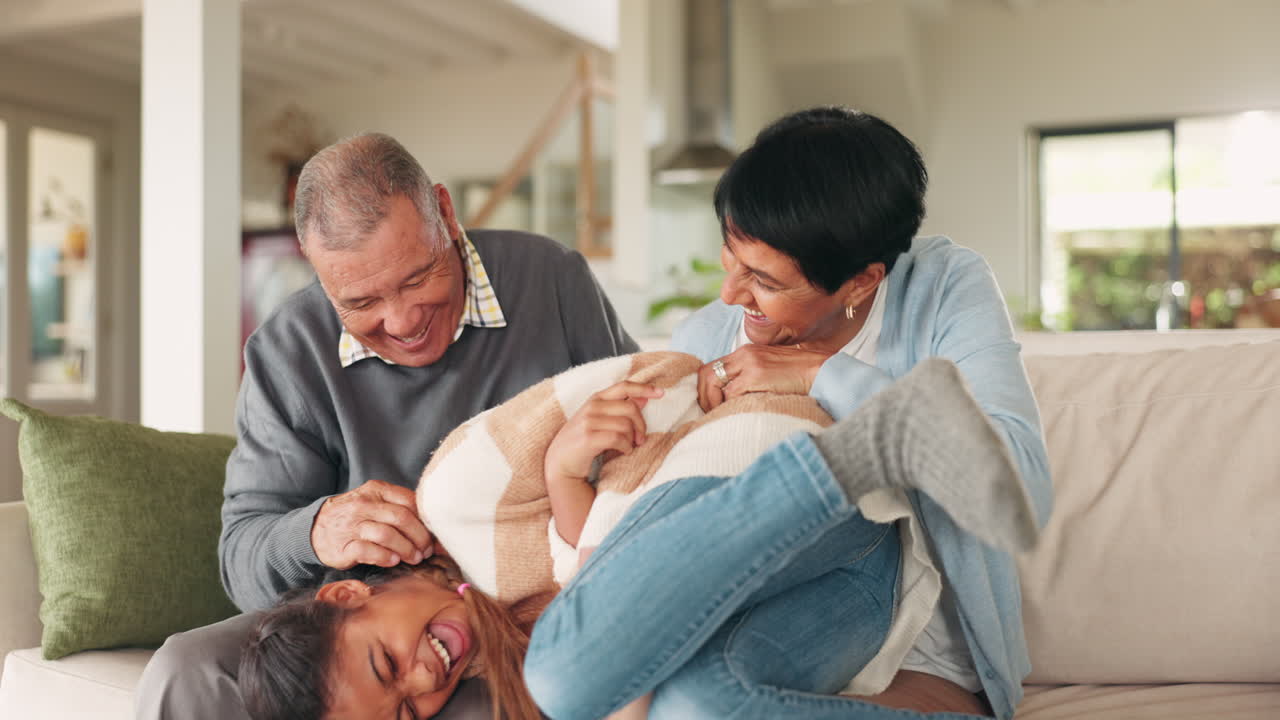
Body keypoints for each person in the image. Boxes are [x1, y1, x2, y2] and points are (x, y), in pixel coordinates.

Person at [238, 349, 1040, 720]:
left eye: (386, 663)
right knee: (693, 713)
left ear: (347, 594)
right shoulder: (504, 682)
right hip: (857, 574)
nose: (423, 681)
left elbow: (665, 377)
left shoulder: (458, 502)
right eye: (407, 715)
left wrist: (564, 476)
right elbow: (632, 595)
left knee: (569, 680)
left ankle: (883, 438)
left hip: (762, 474)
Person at [133, 132, 638, 720]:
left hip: (533, 595)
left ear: (445, 214)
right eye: (361, 301)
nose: (401, 321)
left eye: (418, 278)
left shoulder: (550, 278)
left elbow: (648, 432)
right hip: (371, 622)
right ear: (320, 277)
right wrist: (319, 529)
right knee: (186, 669)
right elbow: (243, 557)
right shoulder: (289, 349)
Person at [636, 105, 1051, 718]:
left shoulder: (942, 288)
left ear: (861, 282)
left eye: (766, 281)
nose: (730, 295)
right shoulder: (709, 336)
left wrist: (820, 373)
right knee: (684, 703)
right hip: (766, 629)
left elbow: (1018, 487)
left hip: (924, 660)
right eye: (730, 254)